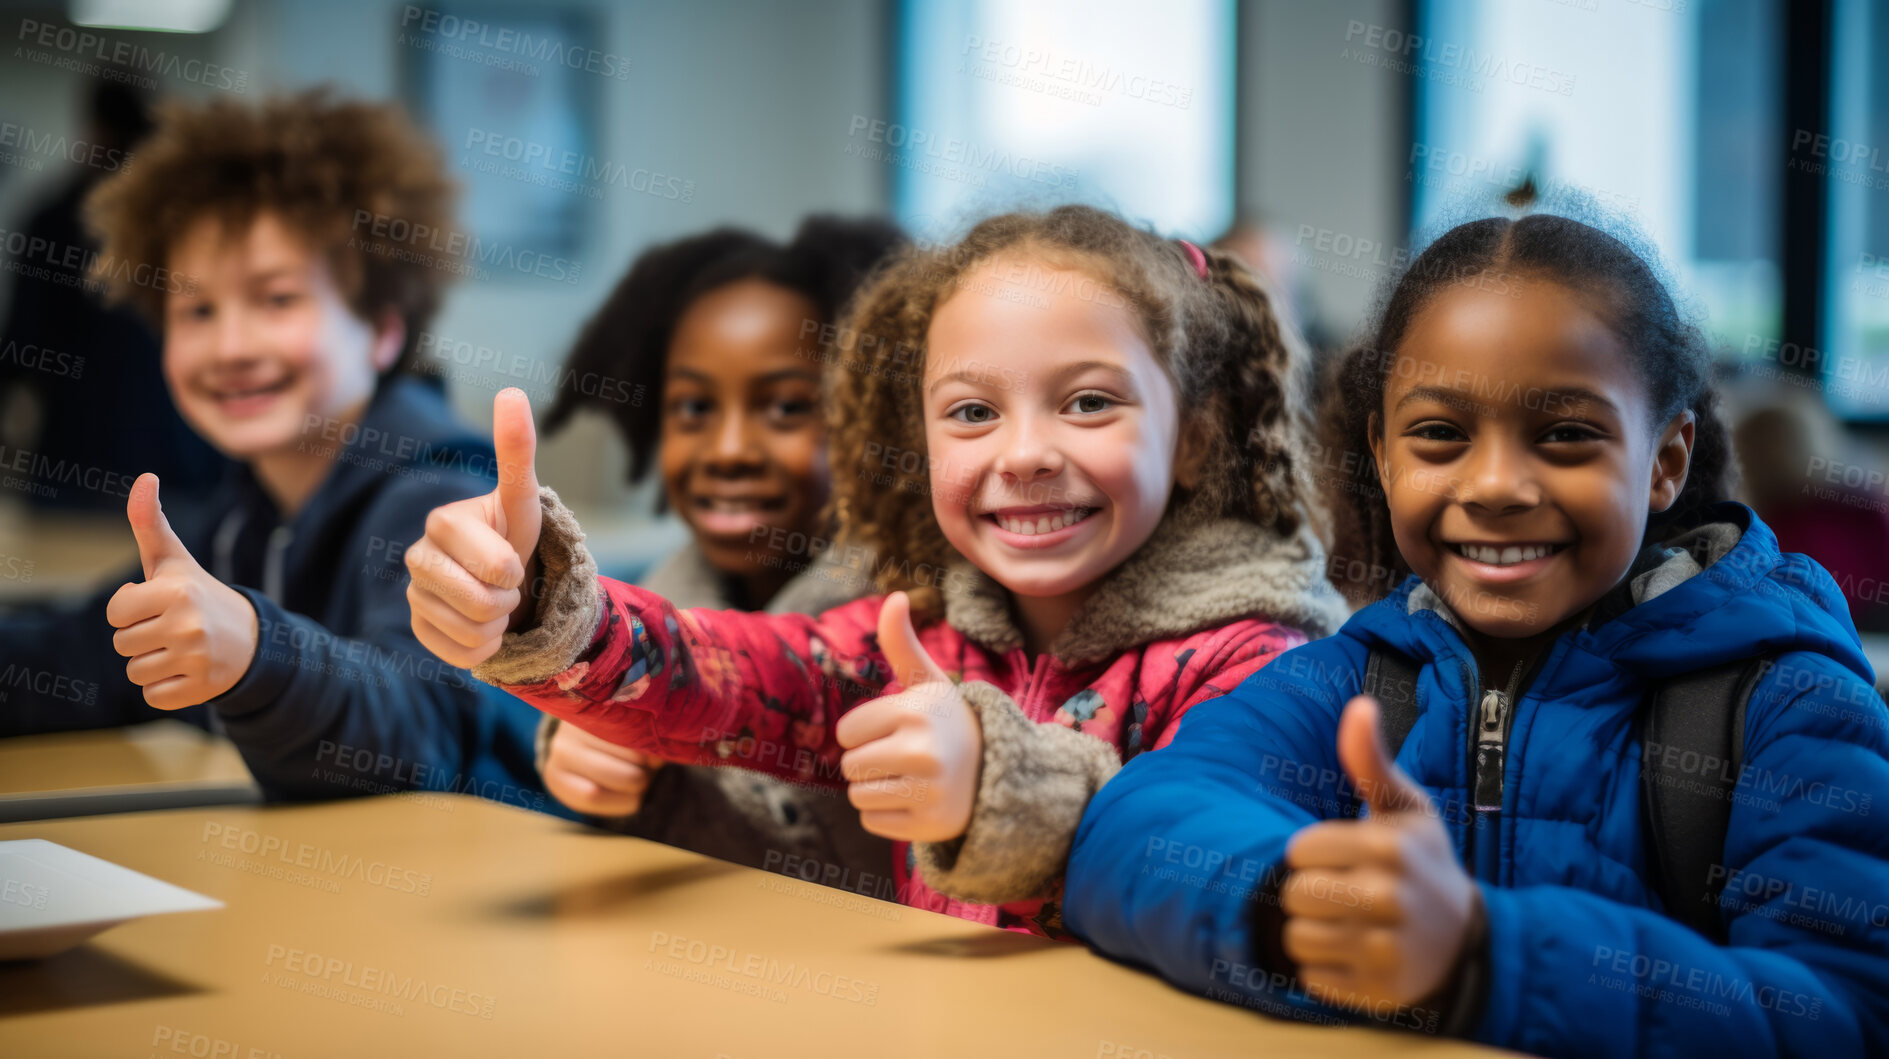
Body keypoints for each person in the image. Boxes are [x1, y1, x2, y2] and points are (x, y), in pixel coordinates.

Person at [1060, 213, 1889, 1056]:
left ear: (1665, 459)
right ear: (1382, 457)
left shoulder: (1785, 702)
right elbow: (1126, 831)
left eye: (1566, 434)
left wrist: (1481, 958)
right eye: (1440, 435)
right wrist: (1296, 904)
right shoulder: (1358, 676)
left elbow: (1844, 1013)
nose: (1493, 484)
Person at [404, 204, 1351, 934]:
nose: (1022, 453)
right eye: (972, 413)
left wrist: (997, 787)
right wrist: (544, 602)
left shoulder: (1262, 665)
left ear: (1194, 438)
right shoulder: (915, 636)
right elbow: (732, 677)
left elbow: (1225, 888)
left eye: (1088, 402)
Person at [0, 89, 560, 817]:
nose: (231, 347)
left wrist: (256, 653)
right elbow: (82, 655)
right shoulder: (238, 515)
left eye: (276, 299)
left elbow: (421, 730)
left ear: (383, 330)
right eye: (197, 309)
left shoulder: (437, 498)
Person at [531, 217, 904, 880]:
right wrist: (578, 744)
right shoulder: (658, 588)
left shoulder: (910, 624)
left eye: (788, 407)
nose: (729, 449)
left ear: (872, 420)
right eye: (694, 408)